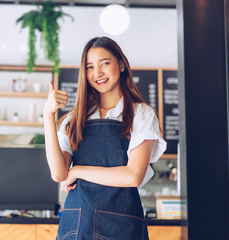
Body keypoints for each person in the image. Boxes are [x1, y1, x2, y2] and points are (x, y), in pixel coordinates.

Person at [43, 36, 166, 240]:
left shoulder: (141, 114)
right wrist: (48, 115)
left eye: (105, 63)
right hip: (77, 225)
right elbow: (58, 174)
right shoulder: (73, 120)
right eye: (90, 67)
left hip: (122, 226)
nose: (97, 73)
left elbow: (132, 176)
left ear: (121, 64)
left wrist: (77, 170)